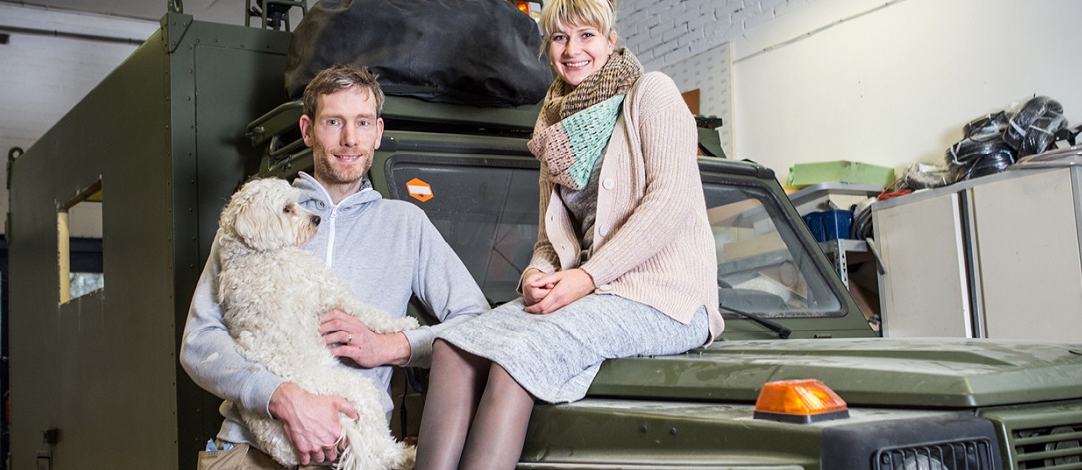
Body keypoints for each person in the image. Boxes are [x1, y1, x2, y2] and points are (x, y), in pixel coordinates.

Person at [413, 0, 724, 467]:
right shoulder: (553, 128)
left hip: (666, 297)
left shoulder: (652, 93)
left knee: (519, 357)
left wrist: (588, 277)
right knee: (452, 348)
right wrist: (534, 276)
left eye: (586, 36)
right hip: (593, 292)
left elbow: (670, 203)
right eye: (560, 37)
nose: (572, 49)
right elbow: (549, 240)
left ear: (610, 42)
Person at [180, 64, 489, 469]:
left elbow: (476, 323)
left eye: (362, 122)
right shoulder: (258, 217)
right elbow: (199, 343)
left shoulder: (406, 224)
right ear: (307, 130)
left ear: (377, 132)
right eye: (333, 122)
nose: (350, 139)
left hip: (353, 453)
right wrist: (280, 397)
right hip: (250, 450)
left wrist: (394, 346)